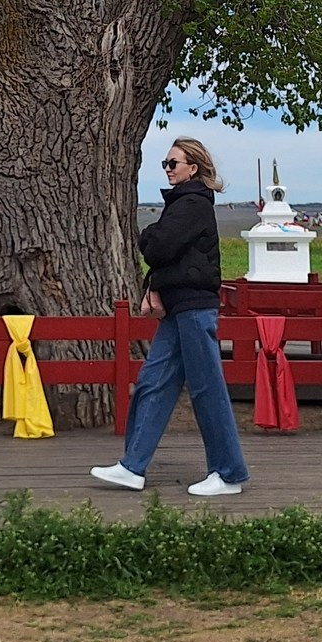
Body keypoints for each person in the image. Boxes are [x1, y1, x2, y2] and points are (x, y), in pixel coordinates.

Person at [92, 136, 249, 498]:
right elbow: (166, 255)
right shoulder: (182, 204)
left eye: (173, 163)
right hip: (178, 311)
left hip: (194, 310)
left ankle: (228, 473)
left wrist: (148, 237)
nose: (167, 169)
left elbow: (159, 247)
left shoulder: (192, 203)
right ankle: (133, 467)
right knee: (153, 383)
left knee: (207, 389)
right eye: (165, 164)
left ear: (192, 168)